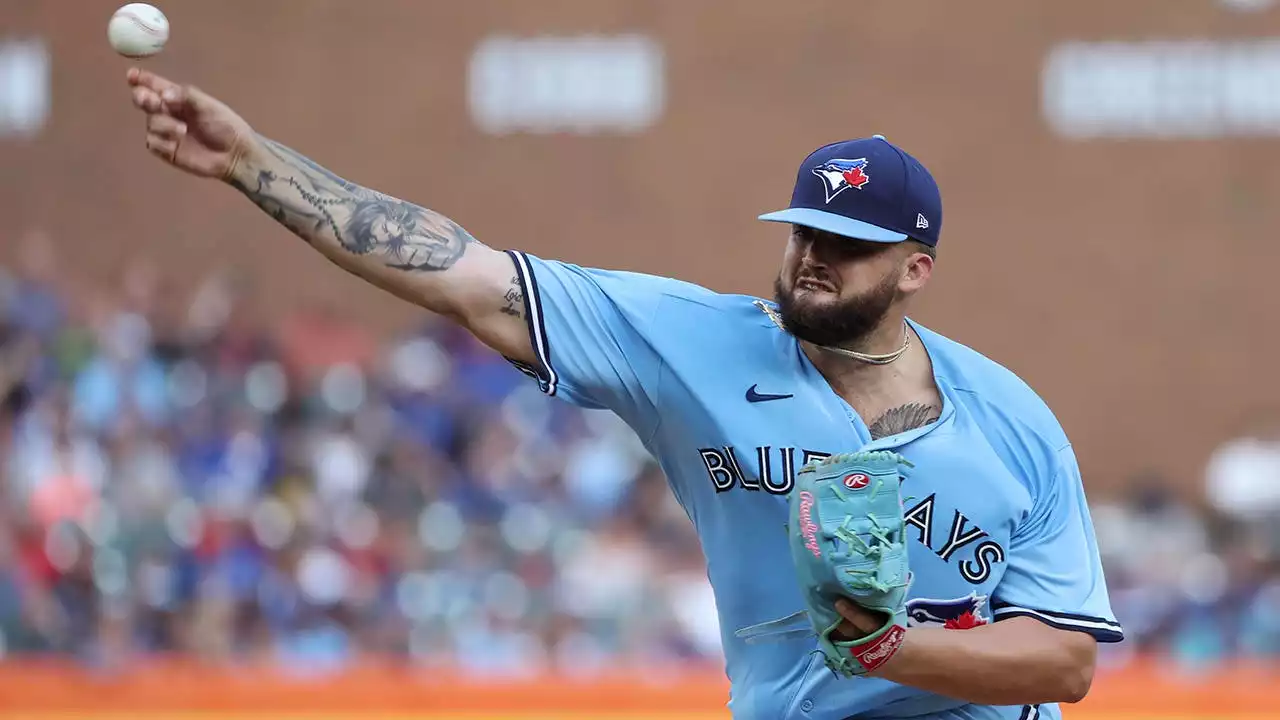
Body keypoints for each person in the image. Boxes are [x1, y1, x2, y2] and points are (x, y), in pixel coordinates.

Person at [124, 68, 1123, 720]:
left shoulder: (1012, 425)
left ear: (914, 269)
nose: (813, 258)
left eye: (847, 247)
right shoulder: (695, 345)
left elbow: (1062, 665)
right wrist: (253, 164)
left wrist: (885, 650)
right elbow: (465, 277)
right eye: (803, 232)